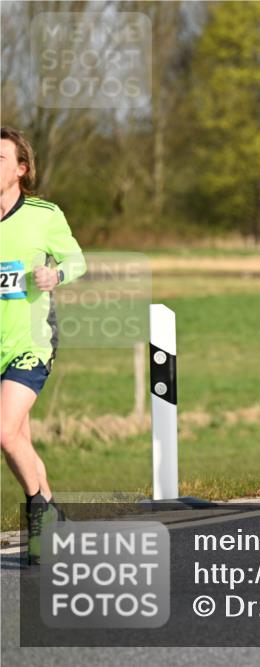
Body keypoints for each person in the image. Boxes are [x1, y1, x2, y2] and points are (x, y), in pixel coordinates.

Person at [0, 126, 86, 564]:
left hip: (30, 343)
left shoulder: (43, 214)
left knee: (3, 431)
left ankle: (39, 513)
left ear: (21, 168)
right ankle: (53, 519)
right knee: (18, 441)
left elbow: (76, 260)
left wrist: (56, 276)